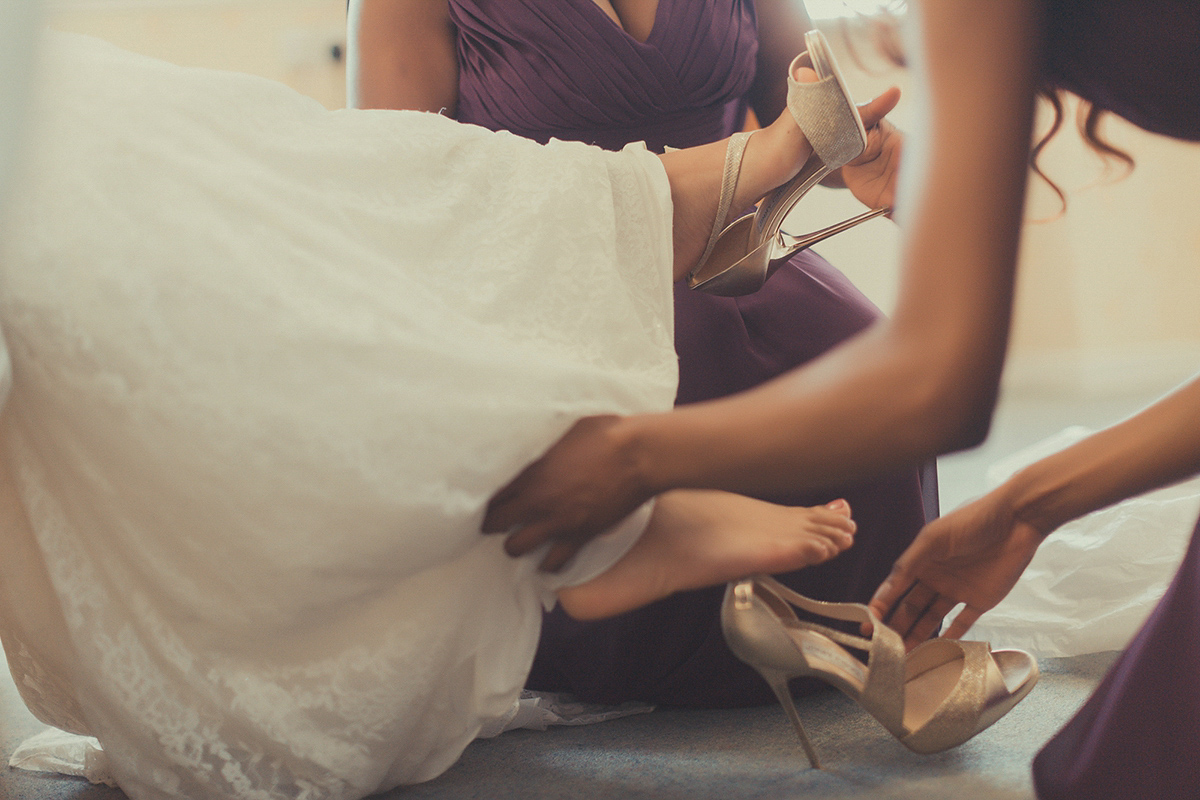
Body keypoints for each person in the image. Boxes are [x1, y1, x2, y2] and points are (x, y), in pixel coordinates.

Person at [0, 26, 883, 800]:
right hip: (571, 323)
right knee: (76, 174)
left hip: (747, 269)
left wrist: (862, 156)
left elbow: (818, 123)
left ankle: (677, 207)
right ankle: (663, 235)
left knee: (99, 138)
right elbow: (396, 215)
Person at [479, 1, 1200, 796]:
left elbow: (936, 381)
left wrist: (636, 457)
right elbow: (417, 195)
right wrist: (1026, 506)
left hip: (727, 243)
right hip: (575, 263)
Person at [347, 0, 934, 709]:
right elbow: (394, 184)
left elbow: (807, 117)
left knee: (871, 369)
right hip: (550, 269)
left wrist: (863, 152)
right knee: (674, 376)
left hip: (732, 252)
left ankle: (835, 624)